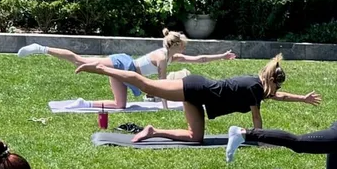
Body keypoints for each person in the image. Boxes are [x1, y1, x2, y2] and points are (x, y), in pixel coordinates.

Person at [75, 55, 321, 143]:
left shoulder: (257, 84)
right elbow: (257, 117)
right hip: (194, 88)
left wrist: (303, 98)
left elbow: (278, 96)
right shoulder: (255, 90)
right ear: (272, 81)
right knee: (145, 83)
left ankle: (153, 130)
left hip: (198, 94)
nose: (278, 90)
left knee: (196, 137)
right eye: (278, 85)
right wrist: (261, 139)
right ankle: (101, 68)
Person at [18, 30, 237, 109]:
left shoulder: (173, 56)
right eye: (184, 45)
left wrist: (223, 56)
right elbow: (160, 84)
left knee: (120, 105)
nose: (186, 48)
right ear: (177, 45)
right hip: (122, 65)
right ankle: (41, 48)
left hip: (128, 75)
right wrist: (165, 106)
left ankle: (83, 103)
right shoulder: (162, 58)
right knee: (78, 60)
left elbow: (200, 59)